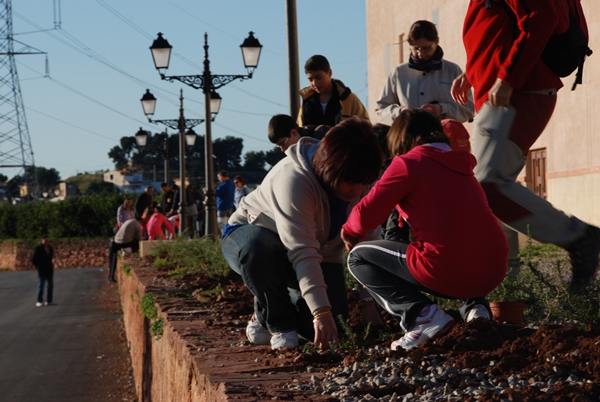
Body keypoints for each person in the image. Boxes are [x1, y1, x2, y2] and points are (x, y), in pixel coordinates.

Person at [450, 0, 599, 292]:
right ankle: (505, 294)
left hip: (520, 91)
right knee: (490, 188)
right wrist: (475, 69)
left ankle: (578, 237)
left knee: (486, 184)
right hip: (506, 91)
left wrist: (507, 76)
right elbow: (500, 27)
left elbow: (540, 17)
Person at [341, 109, 509, 351]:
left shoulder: (409, 163)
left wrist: (350, 232)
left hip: (447, 268)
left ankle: (424, 317)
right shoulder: (461, 165)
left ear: (400, 138)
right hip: (493, 268)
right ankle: (476, 310)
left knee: (358, 257)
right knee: (462, 239)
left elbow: (367, 212)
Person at [221, 117, 382, 350]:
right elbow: (302, 252)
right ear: (330, 168)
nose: (358, 191)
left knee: (331, 326)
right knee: (260, 249)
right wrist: (320, 312)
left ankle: (280, 297)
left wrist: (368, 304)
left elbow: (367, 242)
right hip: (252, 238)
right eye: (351, 183)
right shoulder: (294, 179)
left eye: (364, 183)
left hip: (314, 253)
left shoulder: (359, 181)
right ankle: (276, 320)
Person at [376, 20, 474, 125]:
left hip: (443, 138)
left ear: (436, 41)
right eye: (415, 48)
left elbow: (468, 109)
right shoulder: (398, 73)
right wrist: (400, 112)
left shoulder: (452, 71)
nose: (420, 54)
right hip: (409, 138)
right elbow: (381, 109)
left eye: (426, 48)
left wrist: (442, 109)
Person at [297, 55, 370, 127]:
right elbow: (299, 131)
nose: (315, 83)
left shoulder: (349, 99)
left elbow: (366, 129)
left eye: (319, 78)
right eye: (310, 80)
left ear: (329, 73)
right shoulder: (306, 103)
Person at [108, 217, 143, 282]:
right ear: (140, 221)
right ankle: (127, 250)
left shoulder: (128, 221)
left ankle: (111, 277)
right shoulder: (137, 225)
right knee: (137, 243)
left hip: (115, 241)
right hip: (124, 243)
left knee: (112, 259)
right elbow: (140, 241)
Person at [32, 235, 55, 307]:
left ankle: (49, 301)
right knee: (41, 286)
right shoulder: (38, 249)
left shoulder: (50, 248)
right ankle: (39, 300)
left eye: (47, 240)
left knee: (50, 286)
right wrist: (38, 266)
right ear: (42, 240)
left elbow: (51, 257)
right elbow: (33, 259)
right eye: (45, 240)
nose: (46, 242)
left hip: (49, 270)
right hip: (42, 270)